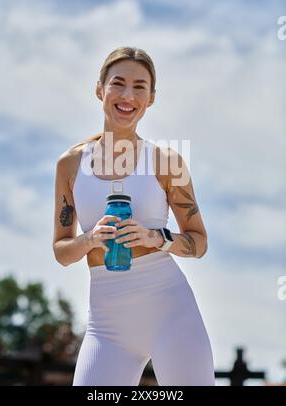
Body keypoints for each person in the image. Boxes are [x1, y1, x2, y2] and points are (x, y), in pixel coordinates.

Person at [52, 46, 215, 386]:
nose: (128, 95)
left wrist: (158, 237)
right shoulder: (70, 165)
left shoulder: (167, 162)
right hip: (107, 326)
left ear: (151, 98)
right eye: (119, 83)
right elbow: (61, 251)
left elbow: (199, 242)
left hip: (172, 315)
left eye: (140, 86)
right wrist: (90, 239)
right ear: (100, 89)